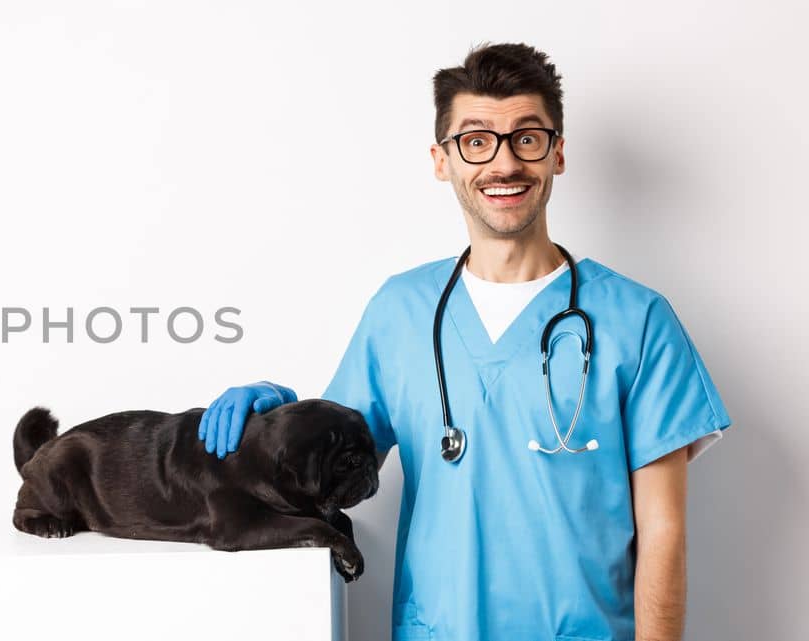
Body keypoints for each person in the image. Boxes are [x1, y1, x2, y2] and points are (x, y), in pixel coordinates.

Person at [197, 43, 730, 641]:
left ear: (557, 155)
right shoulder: (399, 312)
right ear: (441, 159)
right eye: (476, 141)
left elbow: (663, 531)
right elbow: (329, 470)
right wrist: (273, 416)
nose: (503, 164)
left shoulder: (638, 320)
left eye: (526, 138)